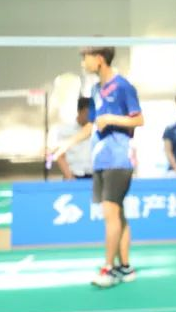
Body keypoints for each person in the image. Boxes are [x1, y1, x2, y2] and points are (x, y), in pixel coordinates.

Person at [52, 47, 143, 288]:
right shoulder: (95, 90)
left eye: (86, 59)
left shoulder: (122, 86)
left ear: (100, 59)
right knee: (118, 214)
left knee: (110, 214)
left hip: (118, 159)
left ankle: (108, 268)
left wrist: (111, 119)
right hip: (101, 160)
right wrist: (66, 145)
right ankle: (125, 266)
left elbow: (138, 119)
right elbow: (91, 126)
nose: (83, 63)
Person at [54, 97, 94, 180]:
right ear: (79, 111)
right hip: (73, 175)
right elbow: (60, 155)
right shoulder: (65, 130)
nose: (90, 117)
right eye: (87, 113)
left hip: (94, 175)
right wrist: (69, 176)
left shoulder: (97, 129)